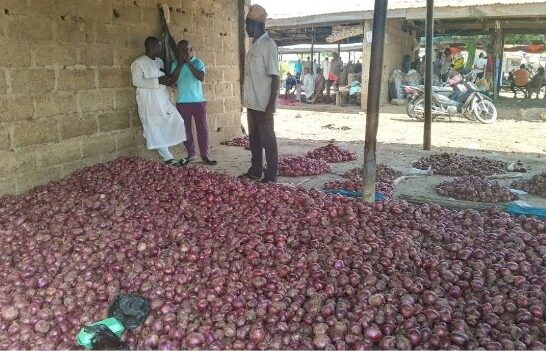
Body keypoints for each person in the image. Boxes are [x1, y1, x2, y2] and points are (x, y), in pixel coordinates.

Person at [130, 36, 186, 166]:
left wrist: (165, 82)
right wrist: (157, 81)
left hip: (162, 98)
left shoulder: (159, 61)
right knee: (154, 127)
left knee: (176, 120)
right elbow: (136, 81)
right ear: (151, 47)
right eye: (159, 46)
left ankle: (169, 155)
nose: (160, 49)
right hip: (148, 100)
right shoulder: (138, 63)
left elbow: (163, 76)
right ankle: (168, 157)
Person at [240, 4, 279, 183]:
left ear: (254, 25)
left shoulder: (268, 45)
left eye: (247, 24)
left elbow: (275, 77)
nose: (246, 29)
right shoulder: (255, 45)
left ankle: (271, 175)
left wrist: (270, 106)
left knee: (268, 139)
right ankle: (255, 170)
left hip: (263, 103)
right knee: (254, 139)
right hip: (252, 102)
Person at [171, 40, 217, 165]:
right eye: (180, 50)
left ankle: (204, 154)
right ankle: (191, 154)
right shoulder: (175, 64)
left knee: (202, 129)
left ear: (191, 50)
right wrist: (181, 64)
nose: (183, 53)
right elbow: (172, 80)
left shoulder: (198, 62)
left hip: (198, 102)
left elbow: (201, 77)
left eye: (186, 50)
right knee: (186, 130)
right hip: (182, 102)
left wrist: (189, 63)